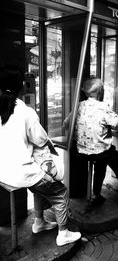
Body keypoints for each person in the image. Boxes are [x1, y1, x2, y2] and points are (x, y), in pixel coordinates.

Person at [0, 65, 81, 246]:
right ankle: (64, 234)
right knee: (60, 192)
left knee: (40, 186)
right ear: (21, 86)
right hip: (21, 173)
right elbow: (41, 138)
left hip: (3, 173)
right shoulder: (25, 112)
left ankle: (39, 222)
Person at [64, 77, 118, 212]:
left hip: (81, 152)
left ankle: (97, 194)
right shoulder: (103, 107)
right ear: (101, 91)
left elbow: (66, 124)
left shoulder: (79, 105)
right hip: (102, 151)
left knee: (100, 164)